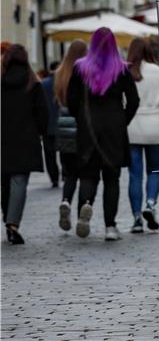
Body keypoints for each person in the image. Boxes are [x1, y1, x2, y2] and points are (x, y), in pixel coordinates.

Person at [67, 28, 139, 241]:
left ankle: (85, 206)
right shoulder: (122, 69)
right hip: (114, 128)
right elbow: (133, 101)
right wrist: (122, 120)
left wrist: (80, 117)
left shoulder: (80, 68)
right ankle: (110, 226)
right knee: (112, 178)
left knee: (88, 174)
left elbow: (71, 100)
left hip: (88, 126)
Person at [1, 44, 49, 244]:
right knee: (19, 182)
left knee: (4, 181)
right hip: (25, 139)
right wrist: (39, 132)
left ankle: (7, 217)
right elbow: (42, 114)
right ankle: (13, 224)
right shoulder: (33, 84)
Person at [127, 38, 159, 233]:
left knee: (134, 174)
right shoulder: (158, 72)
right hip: (155, 126)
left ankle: (136, 218)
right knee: (154, 170)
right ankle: (150, 203)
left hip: (132, 126)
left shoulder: (125, 72)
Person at [54, 40, 88, 231]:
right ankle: (81, 215)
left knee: (69, 174)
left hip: (64, 126)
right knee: (85, 174)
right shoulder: (86, 73)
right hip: (82, 125)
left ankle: (66, 200)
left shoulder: (60, 73)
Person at [40, 62, 61, 187]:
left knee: (49, 154)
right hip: (63, 122)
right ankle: (65, 173)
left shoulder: (43, 83)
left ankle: (54, 177)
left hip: (47, 123)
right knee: (65, 149)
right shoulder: (64, 81)